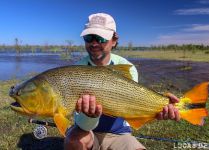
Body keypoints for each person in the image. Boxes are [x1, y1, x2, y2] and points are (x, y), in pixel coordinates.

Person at [64, 13, 180, 150]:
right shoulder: (76, 70)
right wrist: (89, 116)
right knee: (73, 142)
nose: (94, 43)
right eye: (89, 37)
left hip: (120, 134)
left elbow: (135, 99)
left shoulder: (127, 67)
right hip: (86, 131)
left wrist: (160, 103)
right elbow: (82, 123)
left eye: (101, 38)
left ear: (114, 40)